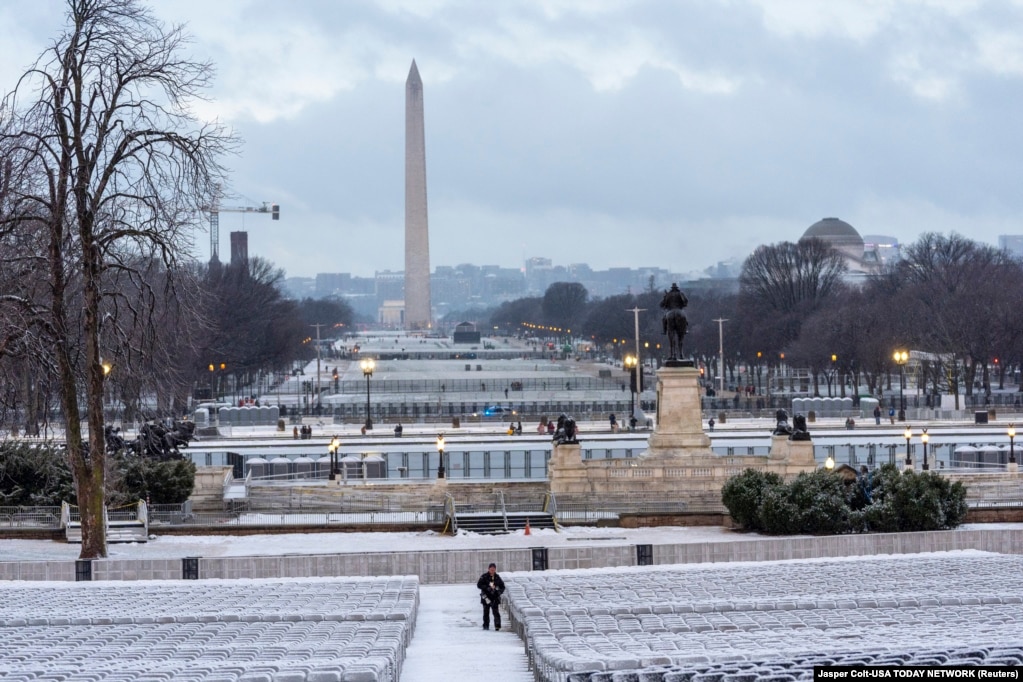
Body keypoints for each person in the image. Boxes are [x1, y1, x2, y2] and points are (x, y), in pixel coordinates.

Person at [476, 562, 506, 631]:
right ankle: (486, 626)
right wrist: (487, 587)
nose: (492, 570)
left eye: (493, 569)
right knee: (486, 613)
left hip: (495, 597)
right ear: (488, 569)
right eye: (491, 569)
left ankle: (497, 626)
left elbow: (502, 587)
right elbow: (479, 585)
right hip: (486, 597)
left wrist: (498, 591)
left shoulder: (497, 577)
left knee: (496, 613)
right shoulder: (484, 576)